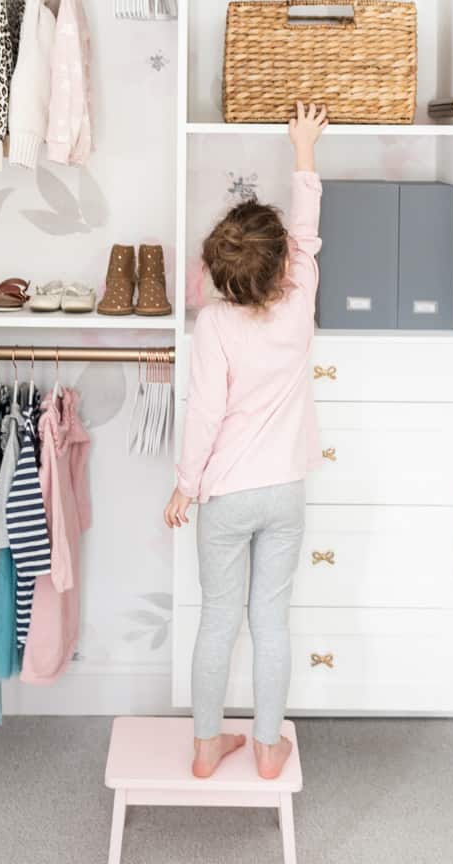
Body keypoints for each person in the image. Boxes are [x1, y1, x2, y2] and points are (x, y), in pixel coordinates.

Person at [164, 101, 328, 780]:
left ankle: (207, 746)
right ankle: (265, 746)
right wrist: (303, 151)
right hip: (283, 491)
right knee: (272, 623)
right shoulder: (299, 296)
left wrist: (186, 483)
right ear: (282, 262)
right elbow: (307, 236)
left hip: (225, 495)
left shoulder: (215, 327)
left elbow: (204, 413)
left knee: (216, 621)